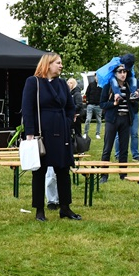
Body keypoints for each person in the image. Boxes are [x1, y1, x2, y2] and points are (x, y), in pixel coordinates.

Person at [21, 54, 81, 221]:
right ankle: (39, 210)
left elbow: (70, 107)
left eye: (62, 62)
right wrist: (30, 133)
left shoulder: (62, 84)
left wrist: (67, 122)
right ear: (48, 64)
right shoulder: (33, 82)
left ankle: (65, 208)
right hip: (42, 132)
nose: (61, 66)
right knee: (39, 172)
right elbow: (27, 108)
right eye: (58, 63)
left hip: (61, 132)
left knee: (63, 170)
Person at [99, 59, 139, 179]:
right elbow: (102, 104)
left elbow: (135, 107)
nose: (123, 74)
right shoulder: (108, 86)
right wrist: (114, 104)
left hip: (125, 120)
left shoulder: (129, 87)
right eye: (120, 71)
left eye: (125, 71)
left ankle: (123, 174)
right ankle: (104, 175)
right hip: (112, 120)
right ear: (115, 73)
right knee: (107, 148)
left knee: (124, 149)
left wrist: (134, 99)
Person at [83, 75, 102, 140]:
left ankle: (98, 133)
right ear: (94, 77)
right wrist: (88, 101)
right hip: (90, 105)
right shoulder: (91, 85)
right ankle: (85, 133)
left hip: (98, 105)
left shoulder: (101, 85)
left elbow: (103, 95)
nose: (97, 78)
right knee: (88, 119)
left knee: (99, 120)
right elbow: (87, 93)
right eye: (96, 76)